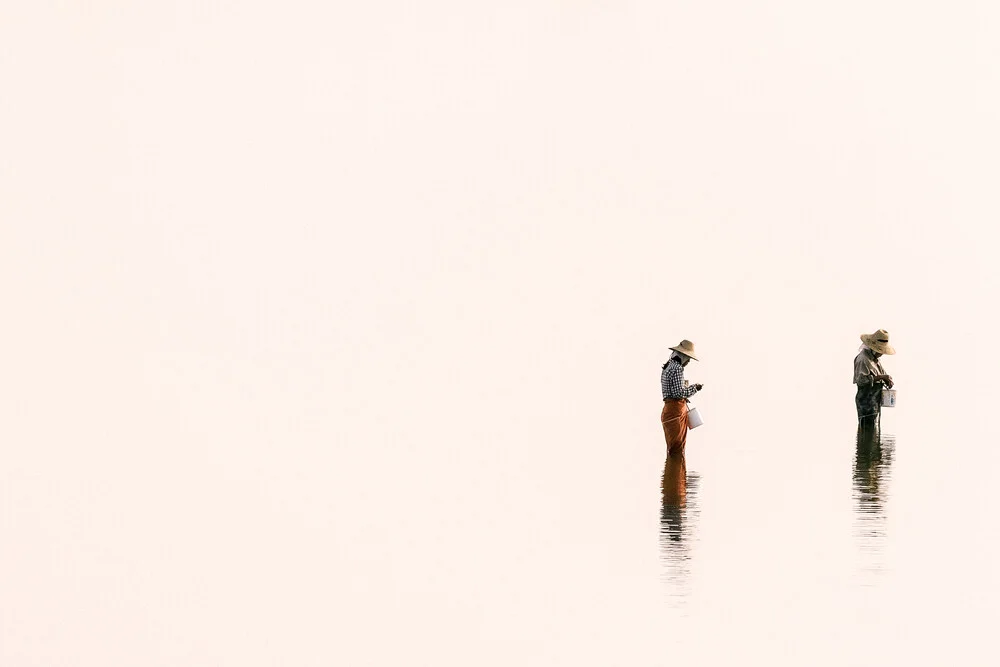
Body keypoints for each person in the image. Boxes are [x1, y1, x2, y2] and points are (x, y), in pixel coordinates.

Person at [660, 340, 704, 456]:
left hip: (669, 411)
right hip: (675, 412)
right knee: (678, 451)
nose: (688, 361)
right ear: (682, 355)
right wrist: (695, 388)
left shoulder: (668, 366)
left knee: (673, 449)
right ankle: (675, 474)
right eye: (688, 358)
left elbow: (673, 392)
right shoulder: (677, 368)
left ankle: (671, 473)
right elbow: (678, 393)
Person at [854, 329, 895, 428]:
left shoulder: (875, 360)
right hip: (865, 403)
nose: (881, 353)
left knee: (873, 430)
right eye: (880, 350)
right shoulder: (863, 359)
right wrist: (882, 377)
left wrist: (887, 379)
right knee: (866, 428)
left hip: (874, 403)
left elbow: (882, 375)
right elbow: (861, 380)